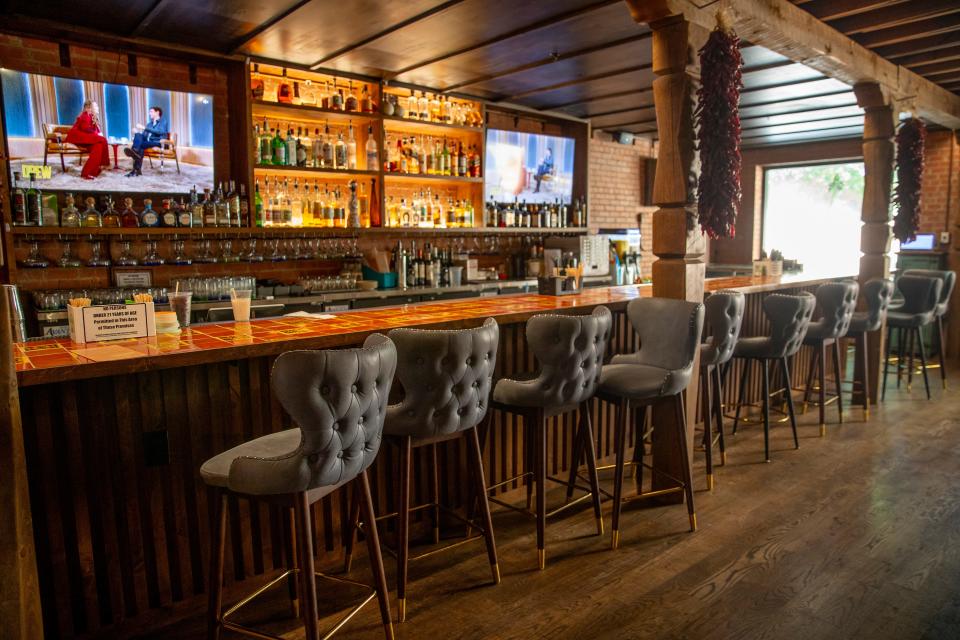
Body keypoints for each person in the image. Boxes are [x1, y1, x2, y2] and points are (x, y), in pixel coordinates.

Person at [64, 101, 110, 180]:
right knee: (102, 139)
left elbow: (95, 130)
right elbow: (85, 128)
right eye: (96, 106)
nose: (98, 108)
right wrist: (97, 135)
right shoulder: (86, 115)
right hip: (78, 136)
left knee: (98, 146)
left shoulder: (92, 117)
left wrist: (98, 133)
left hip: (86, 138)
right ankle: (104, 163)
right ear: (89, 108)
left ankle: (88, 172)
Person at [124, 106, 169, 177]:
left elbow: (160, 132)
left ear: (157, 112)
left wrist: (144, 128)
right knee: (139, 138)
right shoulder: (149, 124)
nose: (149, 114)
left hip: (159, 142)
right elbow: (144, 136)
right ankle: (136, 164)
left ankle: (135, 168)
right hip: (149, 142)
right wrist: (137, 133)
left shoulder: (163, 122)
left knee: (139, 146)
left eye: (151, 111)